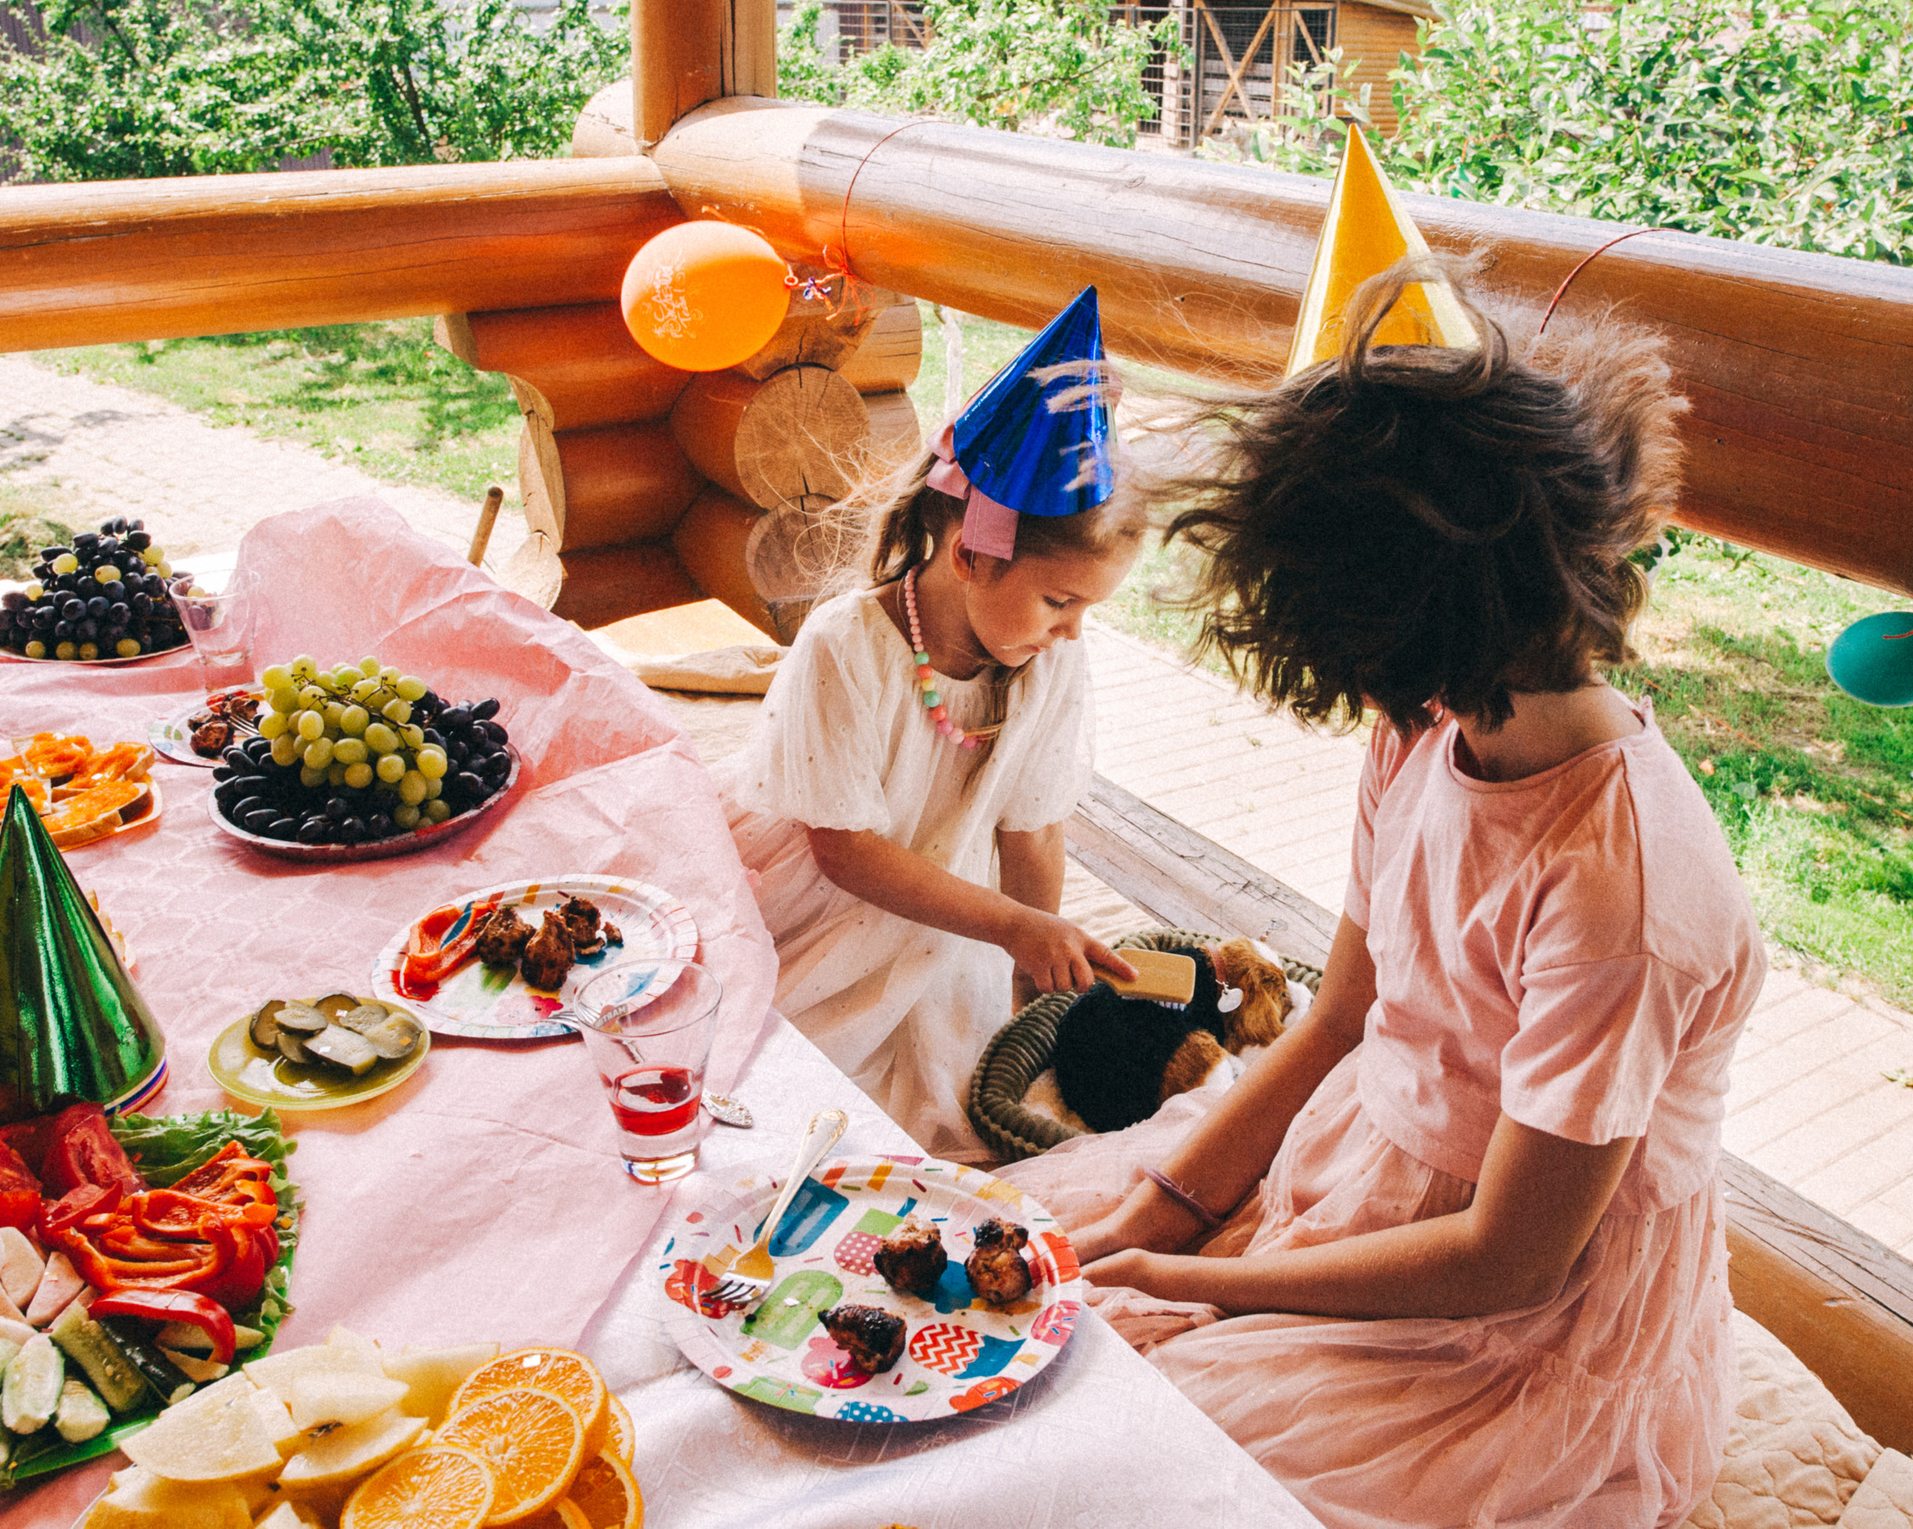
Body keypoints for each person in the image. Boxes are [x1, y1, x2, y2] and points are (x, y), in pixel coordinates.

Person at [1000, 268, 1768, 1529]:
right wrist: (1166, 1214)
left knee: (1127, 1465)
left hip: (1512, 1312)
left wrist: (1216, 1292)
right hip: (1376, 1170)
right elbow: (1343, 1008)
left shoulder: (1619, 894)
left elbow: (1510, 1257)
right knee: (1031, 1305)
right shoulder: (1430, 719)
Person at [717, 290, 1148, 1161]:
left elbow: (1032, 830)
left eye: (1085, 610)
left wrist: (1041, 968)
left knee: (962, 1086)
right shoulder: (849, 646)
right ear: (971, 555)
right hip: (829, 907)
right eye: (1060, 600)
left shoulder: (1049, 663)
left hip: (953, 913)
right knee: (786, 1084)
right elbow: (843, 850)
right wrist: (1009, 927)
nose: (1070, 630)